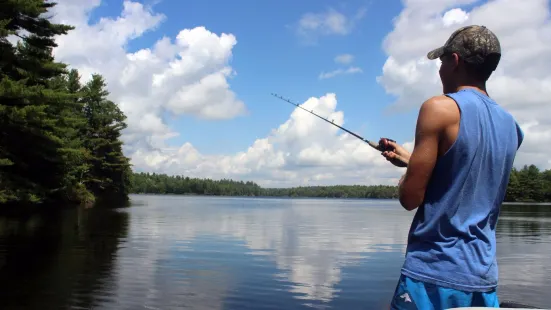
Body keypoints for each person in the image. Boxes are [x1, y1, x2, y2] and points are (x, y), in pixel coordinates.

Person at [380, 25, 524, 309]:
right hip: (482, 278)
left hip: (433, 275)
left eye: (442, 61)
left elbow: (410, 198)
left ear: (455, 61)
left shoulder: (439, 108)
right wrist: (412, 161)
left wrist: (411, 173)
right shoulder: (512, 126)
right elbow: (466, 178)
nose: (440, 70)